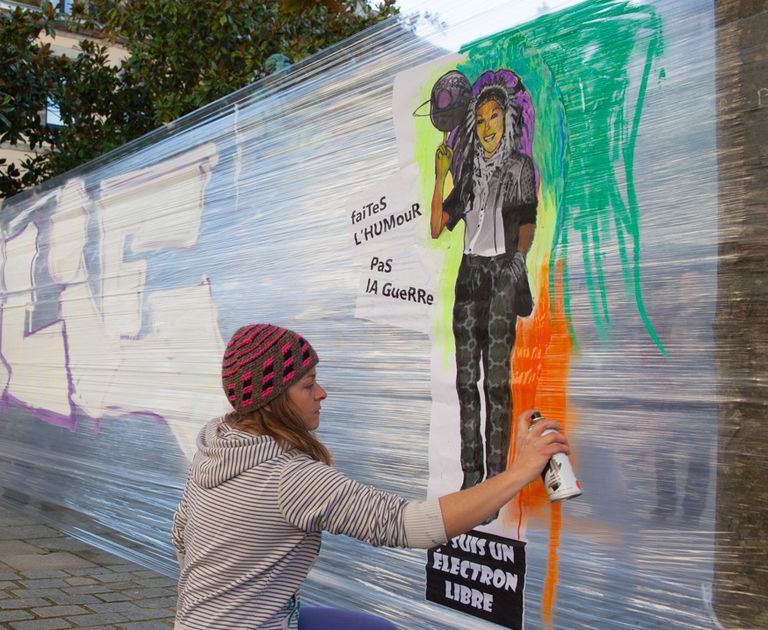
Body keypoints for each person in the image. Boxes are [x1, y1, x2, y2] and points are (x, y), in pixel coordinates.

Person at [172, 324, 570, 629]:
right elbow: (409, 526)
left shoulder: (217, 446)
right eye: (309, 385)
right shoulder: (288, 479)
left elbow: (181, 533)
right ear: (273, 401)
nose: (322, 393)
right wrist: (520, 471)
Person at [429, 70, 539, 490]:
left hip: (501, 275)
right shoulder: (469, 172)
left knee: (495, 381)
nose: (487, 125)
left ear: (506, 120)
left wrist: (518, 261)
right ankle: (470, 477)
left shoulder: (519, 168)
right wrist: (441, 176)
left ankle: (497, 476)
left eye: (494, 117)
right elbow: (438, 227)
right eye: (480, 119)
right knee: (464, 382)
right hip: (469, 275)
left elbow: (526, 220)